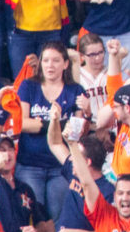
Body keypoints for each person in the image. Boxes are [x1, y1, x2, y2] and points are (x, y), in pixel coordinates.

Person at [13, 42, 85, 217]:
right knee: (32, 217)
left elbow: (76, 131)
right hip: (30, 165)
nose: (50, 65)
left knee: (57, 217)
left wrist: (38, 124)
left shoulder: (75, 89)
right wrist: (55, 124)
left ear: (65, 64)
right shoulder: (28, 86)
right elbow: (21, 123)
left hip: (60, 167)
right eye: (45, 60)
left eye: (55, 60)